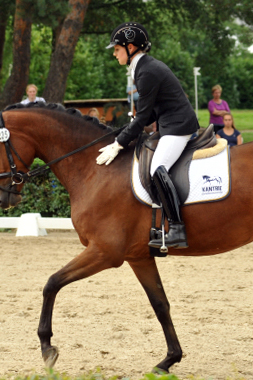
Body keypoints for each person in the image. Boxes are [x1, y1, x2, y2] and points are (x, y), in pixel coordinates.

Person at [96, 22, 199, 249]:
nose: (114, 54)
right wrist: (126, 129)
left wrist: (118, 143)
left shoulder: (147, 71)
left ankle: (177, 229)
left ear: (130, 47)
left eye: (116, 49)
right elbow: (149, 112)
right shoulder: (143, 67)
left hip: (177, 127)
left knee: (156, 169)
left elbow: (144, 117)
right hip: (169, 123)